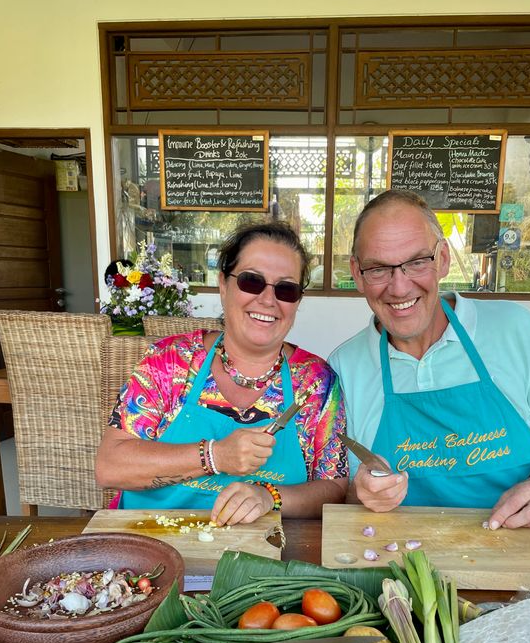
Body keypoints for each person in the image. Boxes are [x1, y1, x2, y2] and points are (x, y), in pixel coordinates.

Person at [328, 190, 530, 529]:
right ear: (357, 272)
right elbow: (347, 492)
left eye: (416, 262)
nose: (398, 288)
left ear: (442, 259)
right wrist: (363, 494)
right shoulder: (343, 367)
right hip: (410, 559)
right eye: (379, 268)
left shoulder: (513, 328)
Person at [96, 221, 348, 524]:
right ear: (223, 285)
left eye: (286, 288)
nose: (268, 300)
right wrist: (215, 456)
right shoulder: (170, 361)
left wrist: (271, 496)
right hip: (149, 549)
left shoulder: (315, 381)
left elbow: (334, 487)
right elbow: (110, 466)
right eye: (251, 281)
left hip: (263, 557)